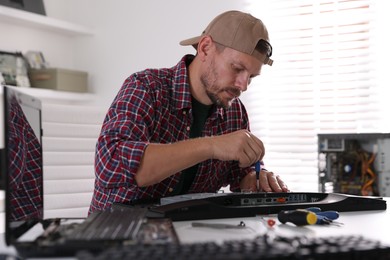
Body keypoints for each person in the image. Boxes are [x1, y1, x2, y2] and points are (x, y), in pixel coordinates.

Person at [89, 10, 289, 214]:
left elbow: (242, 173)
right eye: (237, 68)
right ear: (205, 48)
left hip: (189, 235)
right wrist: (212, 146)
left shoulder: (235, 112)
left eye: (251, 77)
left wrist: (255, 178)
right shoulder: (146, 88)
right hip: (119, 234)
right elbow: (110, 166)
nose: (243, 85)